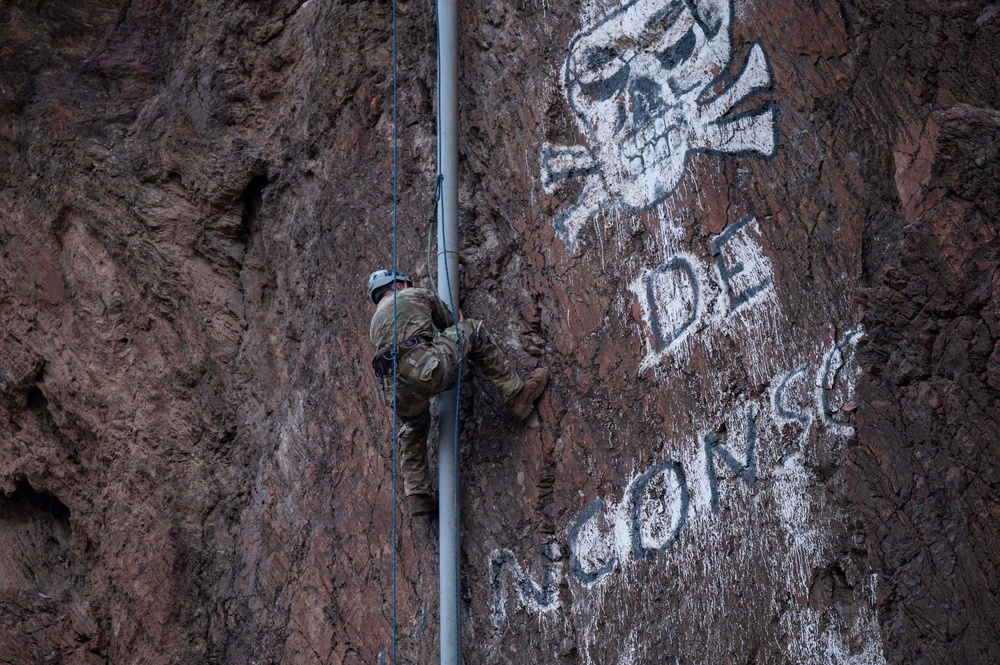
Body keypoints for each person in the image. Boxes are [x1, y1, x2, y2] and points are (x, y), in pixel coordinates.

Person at [368, 269, 548, 517]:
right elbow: (452, 323)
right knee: (473, 330)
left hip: (395, 389)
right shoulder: (414, 294)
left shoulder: (375, 324)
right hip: (426, 368)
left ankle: (417, 492)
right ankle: (516, 394)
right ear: (398, 285)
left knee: (413, 427)